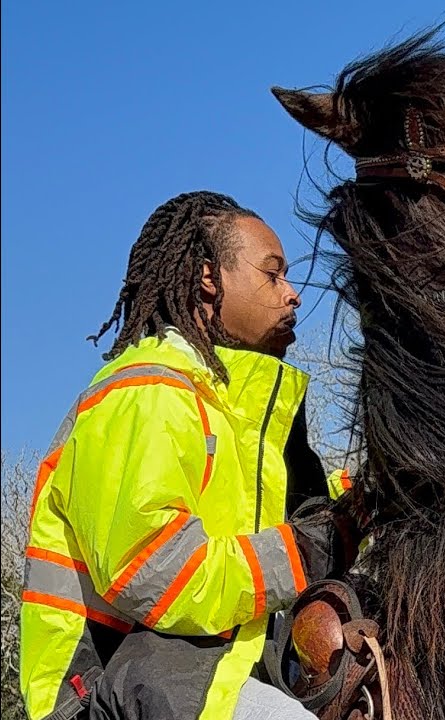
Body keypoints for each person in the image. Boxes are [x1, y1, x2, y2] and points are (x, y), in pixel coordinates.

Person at [20, 191, 364, 720]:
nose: (293, 295)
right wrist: (310, 550)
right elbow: (158, 572)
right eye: (273, 275)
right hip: (106, 687)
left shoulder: (231, 409)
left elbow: (263, 524)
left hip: (204, 667)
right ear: (209, 277)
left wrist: (362, 500)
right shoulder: (146, 393)